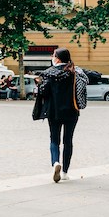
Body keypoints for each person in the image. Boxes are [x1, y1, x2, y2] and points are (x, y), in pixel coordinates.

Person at [38, 47, 88, 183]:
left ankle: (55, 162)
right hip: (72, 111)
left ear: (57, 58)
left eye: (53, 55)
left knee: (54, 140)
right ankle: (65, 172)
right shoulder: (75, 72)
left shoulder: (49, 73)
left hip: (54, 112)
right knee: (68, 141)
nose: (52, 57)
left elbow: (44, 92)